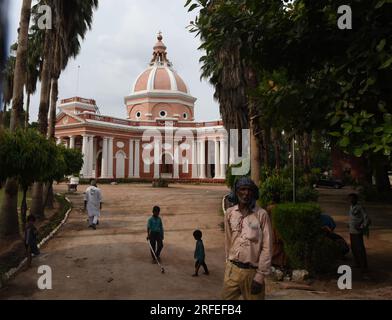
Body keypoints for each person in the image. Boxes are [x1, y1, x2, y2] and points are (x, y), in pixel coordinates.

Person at [223, 177, 272, 300]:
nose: (246, 193)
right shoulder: (230, 213)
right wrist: (228, 263)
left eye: (249, 190)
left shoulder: (261, 215)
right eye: (242, 189)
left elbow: (267, 247)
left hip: (252, 273)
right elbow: (228, 241)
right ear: (236, 191)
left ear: (254, 193)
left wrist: (260, 276)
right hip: (232, 270)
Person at [348, 193, 370, 273]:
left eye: (352, 199)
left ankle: (364, 266)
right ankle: (357, 263)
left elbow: (366, 218)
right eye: (349, 199)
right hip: (351, 231)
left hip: (357, 232)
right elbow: (352, 218)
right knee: (354, 248)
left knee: (360, 248)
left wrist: (362, 227)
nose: (351, 200)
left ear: (356, 199)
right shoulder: (351, 207)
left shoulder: (360, 207)